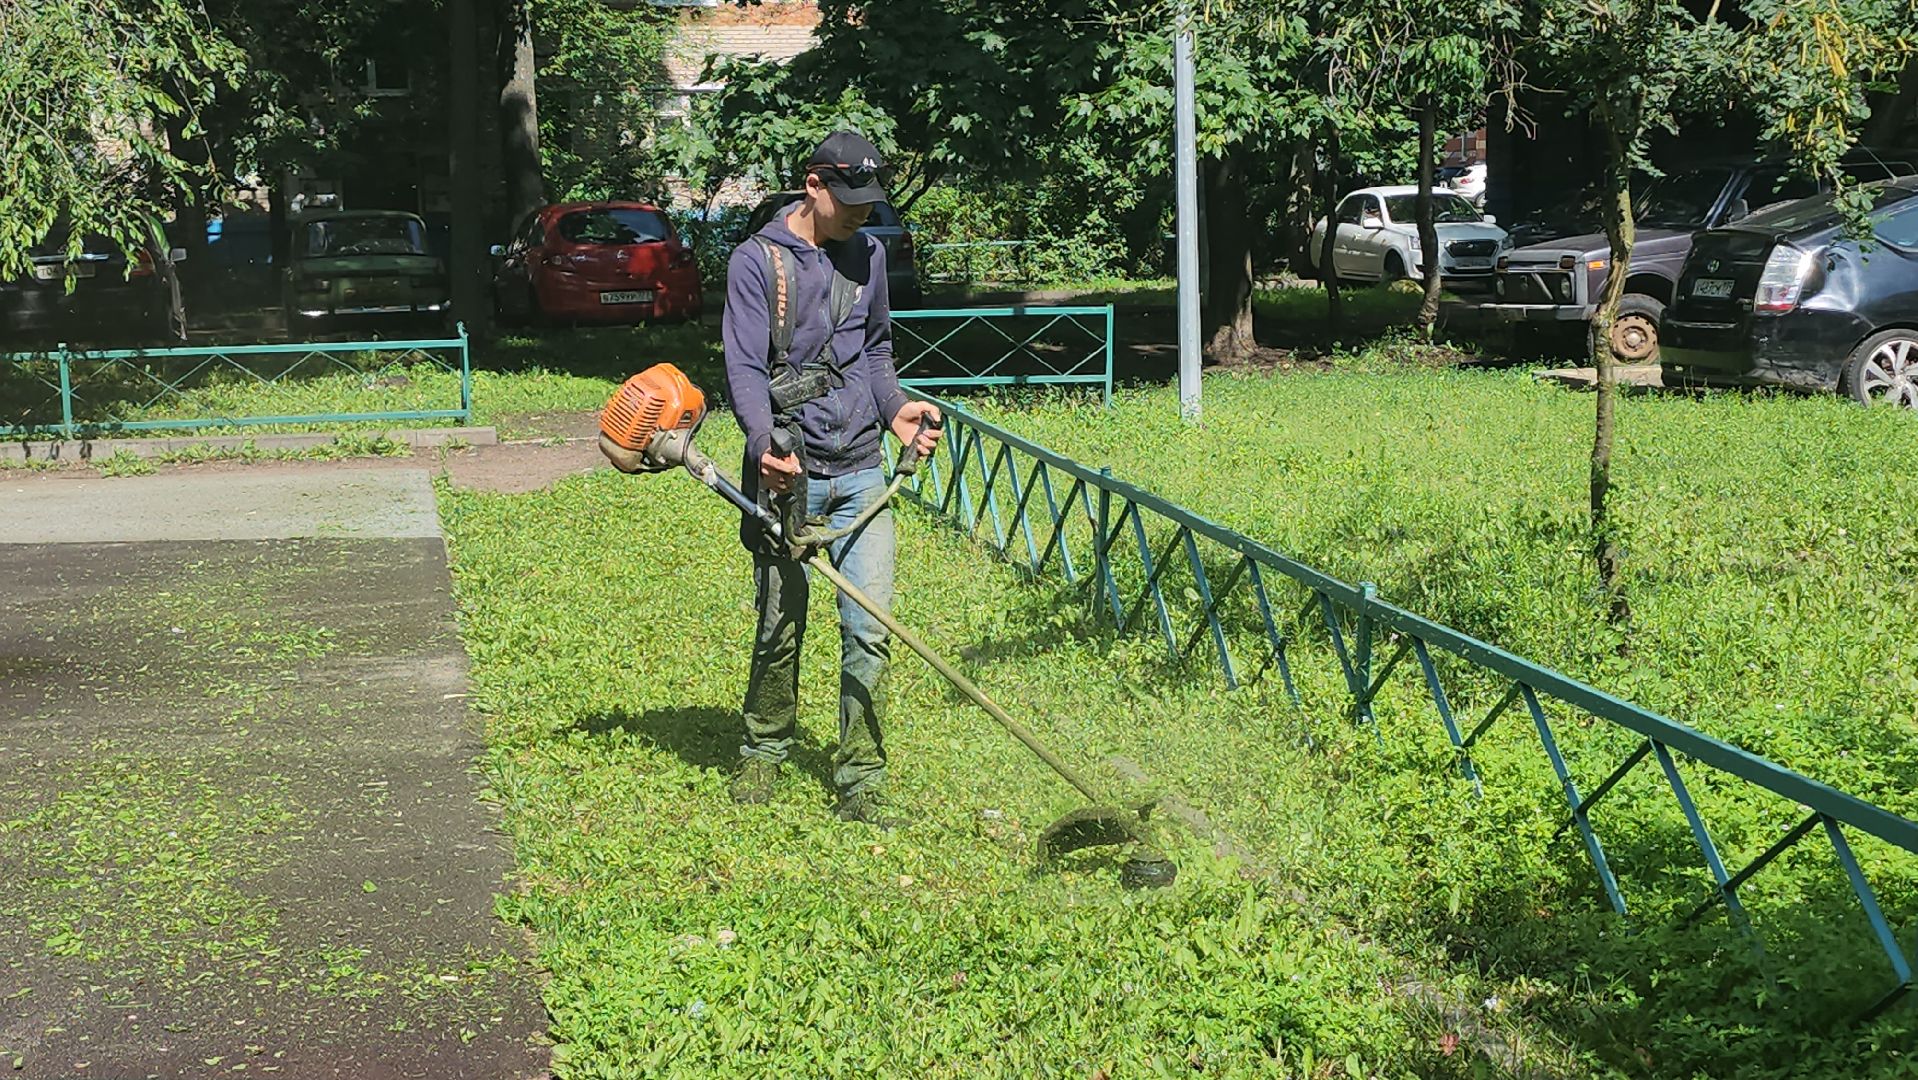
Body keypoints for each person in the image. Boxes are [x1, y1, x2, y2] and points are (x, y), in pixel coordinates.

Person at [721, 130, 943, 825]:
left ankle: (861, 777)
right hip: (790, 474)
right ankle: (763, 750)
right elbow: (745, 368)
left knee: (869, 629)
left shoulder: (869, 254)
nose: (860, 215)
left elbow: (876, 350)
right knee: (780, 622)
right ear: (813, 183)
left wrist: (897, 408)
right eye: (848, 200)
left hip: (863, 475)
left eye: (868, 202)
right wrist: (763, 444)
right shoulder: (757, 264)